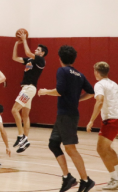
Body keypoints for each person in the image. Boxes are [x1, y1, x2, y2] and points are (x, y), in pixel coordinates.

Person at [38, 45, 95, 192]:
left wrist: (45, 92)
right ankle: (67, 177)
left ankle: (86, 180)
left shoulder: (62, 70)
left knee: (70, 149)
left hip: (67, 115)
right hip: (66, 115)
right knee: (53, 144)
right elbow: (91, 92)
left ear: (59, 58)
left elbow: (59, 91)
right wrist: (76, 99)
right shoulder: (79, 74)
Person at [86, 61, 118, 190]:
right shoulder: (115, 85)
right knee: (108, 148)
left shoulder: (99, 85)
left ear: (96, 72)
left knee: (101, 149)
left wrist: (91, 120)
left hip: (111, 120)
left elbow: (99, 102)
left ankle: (114, 179)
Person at [11, 31, 48, 153]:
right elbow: (15, 58)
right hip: (27, 89)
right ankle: (25, 139)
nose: (35, 50)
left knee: (14, 110)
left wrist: (24, 39)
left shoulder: (40, 61)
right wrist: (17, 43)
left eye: (37, 49)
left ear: (42, 53)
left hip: (29, 88)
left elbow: (27, 52)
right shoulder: (29, 60)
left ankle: (20, 136)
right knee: (25, 115)